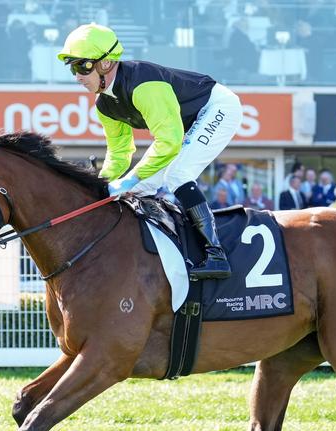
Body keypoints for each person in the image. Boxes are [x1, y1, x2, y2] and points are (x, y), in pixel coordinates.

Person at [58, 23, 242, 279]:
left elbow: (169, 142)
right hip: (186, 125)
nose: (77, 75)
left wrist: (131, 177)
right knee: (136, 190)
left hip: (217, 108)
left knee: (177, 175)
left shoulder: (145, 85)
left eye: (82, 66)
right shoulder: (104, 105)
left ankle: (216, 254)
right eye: (72, 68)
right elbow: (120, 152)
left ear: (106, 63)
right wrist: (104, 183)